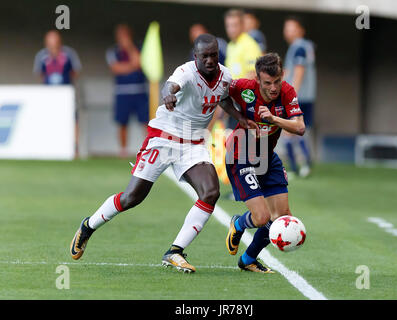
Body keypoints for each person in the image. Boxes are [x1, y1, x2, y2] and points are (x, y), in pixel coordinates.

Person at [70, 34, 258, 273]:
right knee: (132, 198)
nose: (210, 60)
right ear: (195, 57)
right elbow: (171, 86)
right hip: (164, 138)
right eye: (205, 56)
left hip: (192, 142)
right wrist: (168, 94)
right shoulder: (186, 72)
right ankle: (88, 226)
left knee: (211, 192)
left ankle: (175, 251)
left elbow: (221, 99)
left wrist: (241, 117)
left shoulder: (225, 76)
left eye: (214, 55)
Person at [224, 53, 305, 273]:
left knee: (282, 216)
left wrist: (273, 119)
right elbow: (219, 93)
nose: (273, 88)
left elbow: (300, 128)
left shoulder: (287, 92)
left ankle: (248, 259)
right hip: (241, 154)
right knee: (262, 218)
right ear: (257, 80)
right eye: (267, 83)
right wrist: (239, 117)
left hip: (267, 157)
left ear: (282, 76)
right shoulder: (243, 87)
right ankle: (238, 223)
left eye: (277, 81)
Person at [33, 30, 82, 156]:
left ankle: (75, 148)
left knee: (73, 119)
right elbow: (40, 74)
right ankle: (48, 147)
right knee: (48, 119)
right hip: (49, 94)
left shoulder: (69, 54)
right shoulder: (42, 56)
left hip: (67, 93)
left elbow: (75, 72)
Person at [106, 24, 149, 158]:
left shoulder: (139, 47)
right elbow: (116, 68)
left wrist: (130, 47)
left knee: (146, 121)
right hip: (122, 91)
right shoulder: (113, 51)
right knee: (122, 122)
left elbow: (139, 62)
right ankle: (123, 150)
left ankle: (148, 149)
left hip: (139, 90)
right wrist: (132, 66)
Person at [282, 16, 316, 178]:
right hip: (306, 95)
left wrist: (291, 95)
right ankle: (301, 166)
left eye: (292, 28)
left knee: (291, 131)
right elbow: (289, 71)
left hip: (298, 96)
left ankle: (300, 166)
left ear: (301, 30)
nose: (289, 31)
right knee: (297, 130)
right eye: (287, 28)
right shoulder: (303, 46)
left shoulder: (299, 47)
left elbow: (299, 71)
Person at [224, 8, 262, 130]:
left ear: (242, 25)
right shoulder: (230, 46)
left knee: (247, 144)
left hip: (248, 104)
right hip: (235, 103)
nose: (231, 29)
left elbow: (253, 75)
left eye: (234, 25)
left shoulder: (249, 45)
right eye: (228, 25)